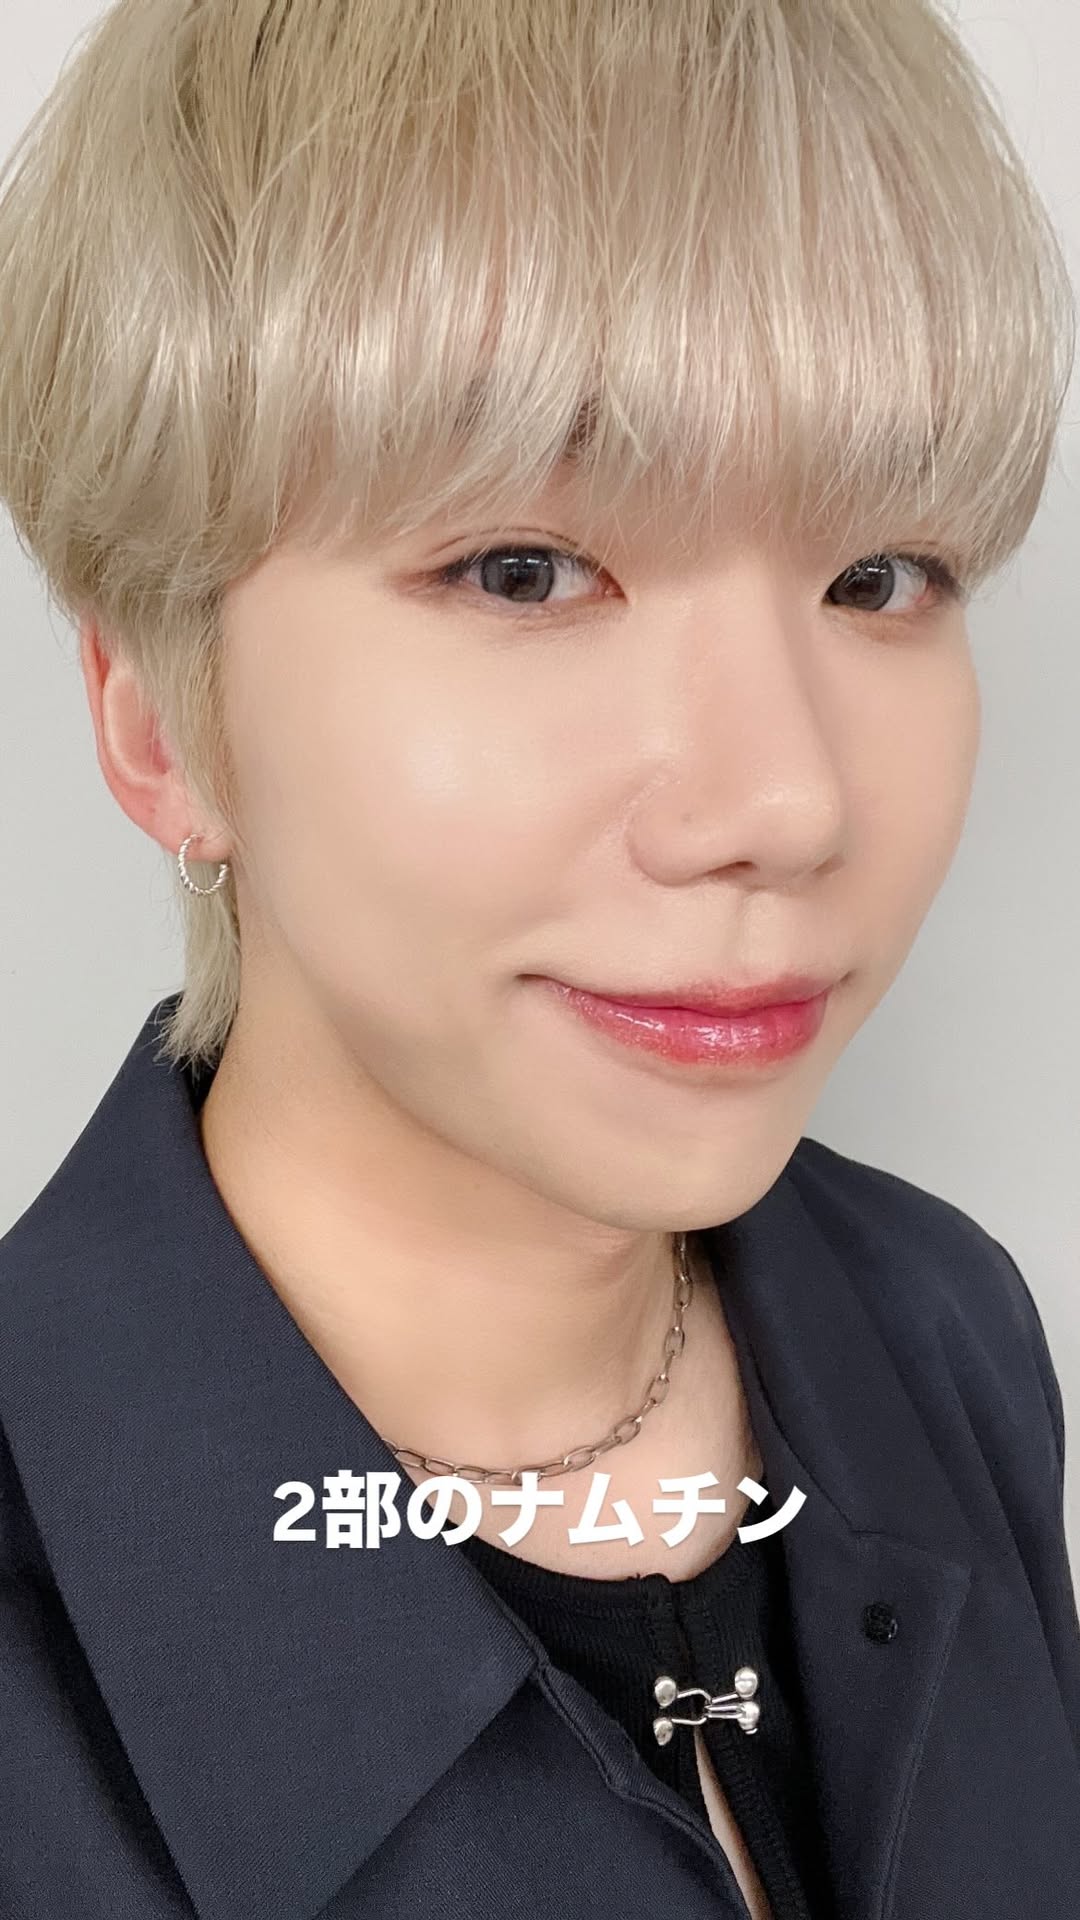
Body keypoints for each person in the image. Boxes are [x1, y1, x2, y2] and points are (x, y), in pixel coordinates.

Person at [0, 0, 1077, 1915]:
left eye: (879, 575)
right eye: (526, 570)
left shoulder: (936, 1323)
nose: (785, 800)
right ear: (161, 720)